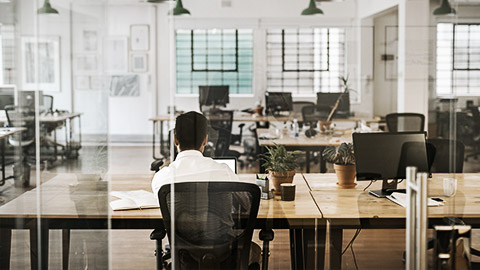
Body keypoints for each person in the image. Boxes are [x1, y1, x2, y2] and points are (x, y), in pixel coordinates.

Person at [151, 111, 261, 266]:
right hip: (224, 255)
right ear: (205, 140)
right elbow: (246, 204)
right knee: (253, 250)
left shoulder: (163, 178)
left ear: (175, 139)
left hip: (185, 257)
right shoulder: (223, 171)